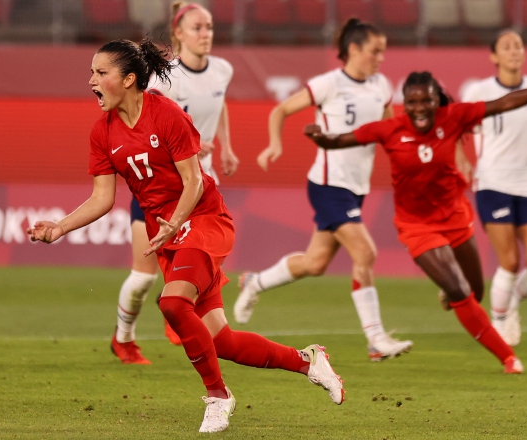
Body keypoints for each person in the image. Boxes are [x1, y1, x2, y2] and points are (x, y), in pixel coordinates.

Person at [27, 38, 344, 433]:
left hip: (204, 220)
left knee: (174, 303)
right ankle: (308, 361)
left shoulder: (166, 114)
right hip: (169, 233)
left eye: (100, 72)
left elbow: (194, 181)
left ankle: (219, 397)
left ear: (127, 79)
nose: (91, 80)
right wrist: (60, 226)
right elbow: (102, 198)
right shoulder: (102, 133)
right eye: (92, 72)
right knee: (221, 341)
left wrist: (174, 223)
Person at [303, 67, 527, 373]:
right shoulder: (389, 129)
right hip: (417, 226)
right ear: (404, 104)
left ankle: (452, 292)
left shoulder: (454, 117)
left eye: (426, 100)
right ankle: (508, 358)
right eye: (412, 102)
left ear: (437, 101)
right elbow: (340, 140)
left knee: (475, 292)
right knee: (461, 292)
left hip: (455, 217)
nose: (420, 108)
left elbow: (507, 102)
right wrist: (320, 138)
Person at [233, 18, 413, 362]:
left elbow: (391, 129)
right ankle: (376, 340)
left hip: (356, 188)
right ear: (354, 49)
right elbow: (282, 109)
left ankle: (255, 282)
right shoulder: (329, 83)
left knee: (315, 263)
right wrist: (274, 145)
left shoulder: (381, 85)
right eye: (376, 51)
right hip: (329, 185)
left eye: (383, 52)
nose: (381, 58)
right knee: (366, 254)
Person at [111, 1, 240, 363]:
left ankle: (179, 314)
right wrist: (190, 145)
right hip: (158, 188)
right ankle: (123, 338)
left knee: (203, 261)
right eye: (198, 28)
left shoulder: (223, 70)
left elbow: (220, 102)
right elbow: (145, 127)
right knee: (142, 278)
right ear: (179, 33)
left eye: (210, 27)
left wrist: (225, 146)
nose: (206, 35)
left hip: (199, 186)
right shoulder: (163, 78)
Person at [461, 30, 527, 346]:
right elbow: (458, 131)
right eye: (507, 47)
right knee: (509, 261)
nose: (514, 51)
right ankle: (499, 322)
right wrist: (463, 162)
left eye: (519, 45)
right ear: (493, 56)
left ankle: (509, 306)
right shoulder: (479, 90)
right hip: (493, 182)